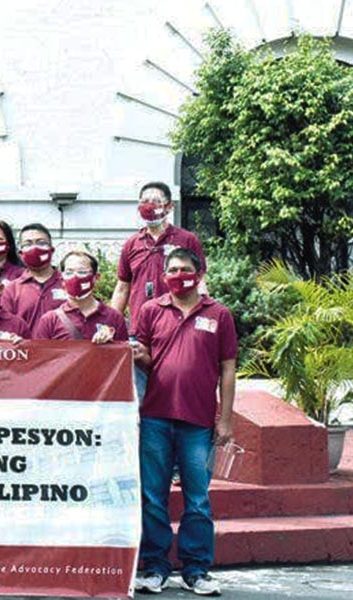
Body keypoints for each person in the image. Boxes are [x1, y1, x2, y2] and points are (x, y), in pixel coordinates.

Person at [129, 248, 236, 597]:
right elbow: (145, 359)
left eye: (185, 269)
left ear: (199, 272)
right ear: (164, 276)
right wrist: (139, 355)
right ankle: (155, 567)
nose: (179, 275)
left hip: (199, 422)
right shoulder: (150, 310)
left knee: (198, 499)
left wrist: (226, 420)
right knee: (153, 497)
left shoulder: (218, 314)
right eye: (172, 269)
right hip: (155, 418)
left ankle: (196, 570)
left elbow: (228, 368)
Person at [111, 181, 207, 321]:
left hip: (178, 322)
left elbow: (200, 282)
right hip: (141, 323)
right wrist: (111, 323)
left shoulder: (187, 240)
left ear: (170, 206)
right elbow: (122, 288)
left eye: (156, 201)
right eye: (145, 201)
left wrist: (204, 315)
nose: (149, 206)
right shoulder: (132, 244)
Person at [32, 250, 128, 344]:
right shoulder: (50, 320)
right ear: (62, 280)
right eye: (69, 273)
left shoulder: (114, 317)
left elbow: (124, 352)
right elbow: (40, 353)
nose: (75, 277)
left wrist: (110, 344)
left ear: (96, 278)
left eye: (82, 272)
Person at [0, 223, 67, 331]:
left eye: (41, 243)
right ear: (21, 253)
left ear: (52, 249)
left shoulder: (68, 283)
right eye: (28, 244)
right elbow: (5, 327)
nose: (35, 248)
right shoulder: (12, 290)